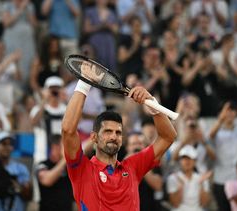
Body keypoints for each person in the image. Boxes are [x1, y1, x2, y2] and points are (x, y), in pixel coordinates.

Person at [61, 79, 177, 210]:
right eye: (107, 131)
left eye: (118, 133)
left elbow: (168, 137)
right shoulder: (82, 169)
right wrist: (84, 84)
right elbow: (68, 131)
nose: (113, 136)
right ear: (94, 137)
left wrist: (153, 106)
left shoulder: (132, 167)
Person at [30, 76, 66, 163]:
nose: (54, 92)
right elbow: (33, 122)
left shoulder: (66, 109)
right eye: (51, 89)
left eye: (57, 89)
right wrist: (44, 100)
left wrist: (64, 98)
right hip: (42, 156)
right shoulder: (37, 109)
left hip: (62, 157)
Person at [167, 145, 211, 211]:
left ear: (195, 161)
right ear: (180, 160)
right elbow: (175, 204)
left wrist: (201, 184)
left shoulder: (202, 178)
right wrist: (180, 188)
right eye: (184, 158)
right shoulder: (173, 178)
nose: (187, 161)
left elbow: (204, 203)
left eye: (190, 158)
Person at [36, 134, 73, 211]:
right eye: (64, 146)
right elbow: (47, 180)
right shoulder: (42, 165)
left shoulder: (69, 166)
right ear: (54, 147)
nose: (68, 149)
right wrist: (65, 158)